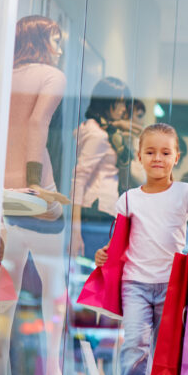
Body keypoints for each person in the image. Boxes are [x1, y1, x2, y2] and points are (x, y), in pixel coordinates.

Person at [99, 123, 188, 375]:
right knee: (135, 344)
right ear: (139, 158)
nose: (158, 157)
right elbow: (118, 243)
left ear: (176, 157)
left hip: (173, 285)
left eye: (165, 152)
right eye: (150, 152)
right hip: (135, 284)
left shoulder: (186, 193)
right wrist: (104, 254)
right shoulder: (128, 199)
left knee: (166, 351)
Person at [0, 15, 69, 375]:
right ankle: (53, 369)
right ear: (40, 40)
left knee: (5, 281)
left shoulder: (0, 74)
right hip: (34, 190)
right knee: (53, 282)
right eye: (55, 39)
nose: (59, 48)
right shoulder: (51, 75)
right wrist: (35, 185)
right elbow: (37, 124)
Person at [71, 77, 133, 258]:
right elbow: (78, 179)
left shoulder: (97, 128)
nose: (123, 109)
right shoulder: (98, 135)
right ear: (106, 102)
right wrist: (76, 231)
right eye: (119, 103)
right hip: (96, 212)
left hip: (100, 212)